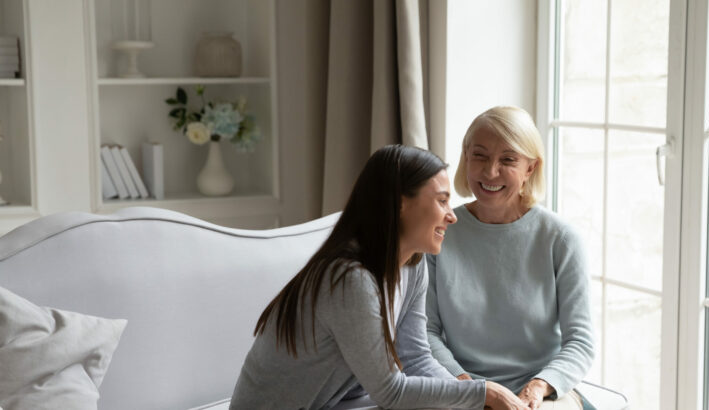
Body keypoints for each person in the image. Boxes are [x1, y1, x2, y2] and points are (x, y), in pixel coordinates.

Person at [230, 145, 528, 410]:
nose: (452, 216)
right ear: (400, 203)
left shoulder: (413, 263)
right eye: (441, 201)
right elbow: (391, 391)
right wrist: (483, 392)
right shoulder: (349, 279)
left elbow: (416, 358)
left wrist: (472, 405)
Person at [426, 107, 595, 410]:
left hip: (541, 392)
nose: (490, 172)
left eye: (508, 160)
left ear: (530, 168)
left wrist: (537, 388)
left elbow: (580, 342)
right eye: (479, 156)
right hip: (463, 385)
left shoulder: (561, 239)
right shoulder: (440, 233)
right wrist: (468, 386)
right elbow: (424, 331)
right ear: (466, 157)